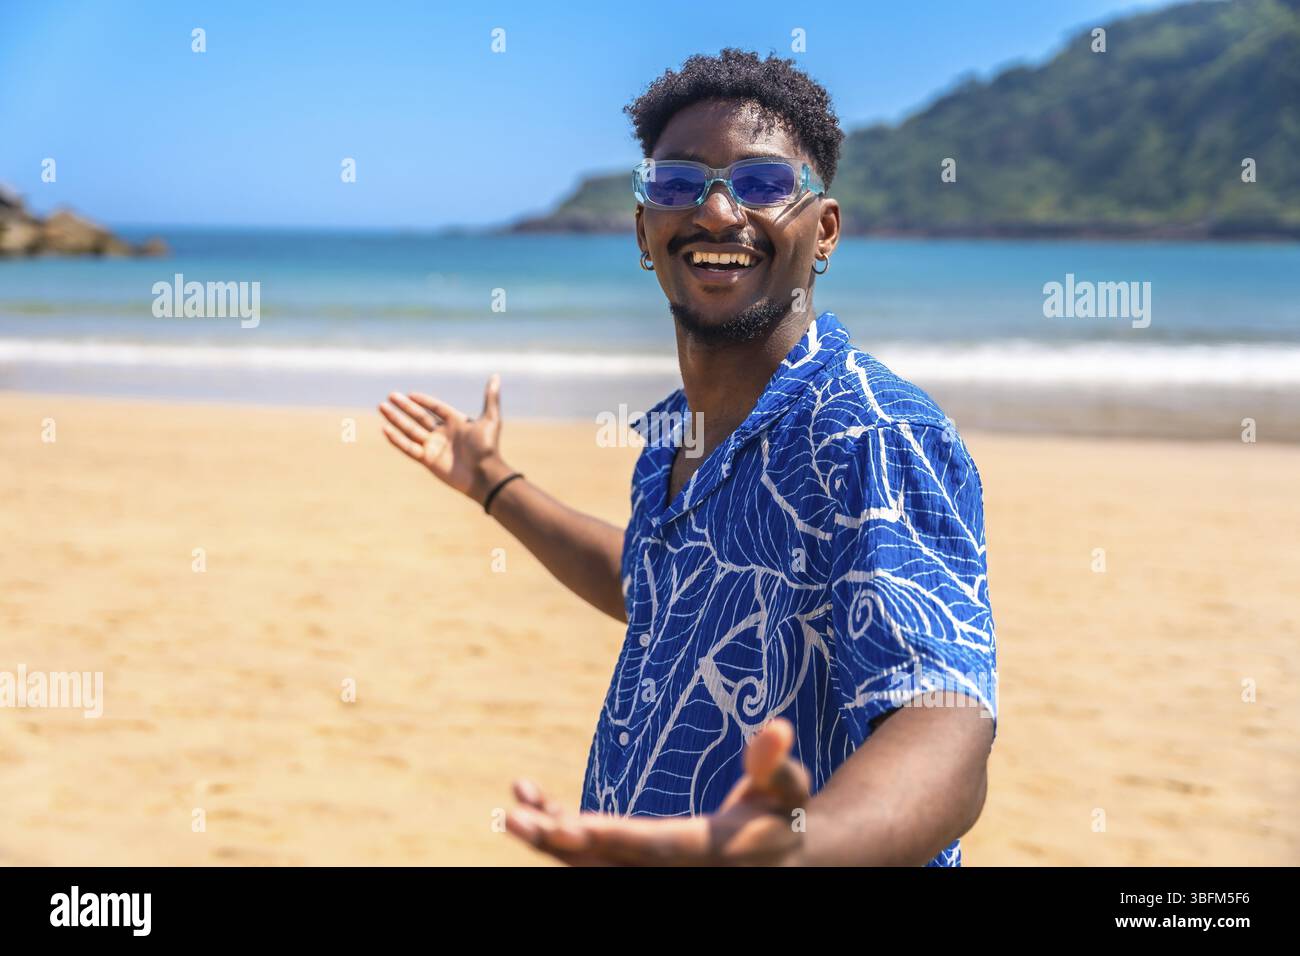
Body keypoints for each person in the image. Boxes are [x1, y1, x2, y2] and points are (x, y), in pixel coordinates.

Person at [379, 49, 997, 866]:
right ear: (644, 230)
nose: (714, 211)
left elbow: (945, 726)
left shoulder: (869, 436)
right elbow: (654, 587)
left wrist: (803, 846)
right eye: (677, 185)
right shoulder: (682, 435)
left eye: (763, 184)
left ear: (825, 231)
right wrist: (494, 483)